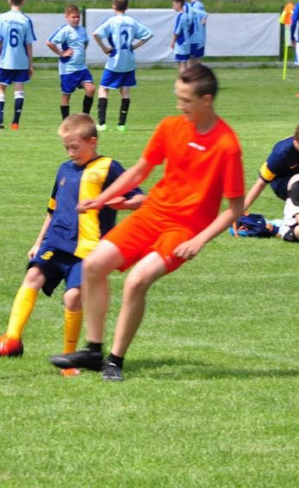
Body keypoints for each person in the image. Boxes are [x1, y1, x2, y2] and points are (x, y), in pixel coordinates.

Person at [49, 65, 245, 382]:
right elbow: (139, 171)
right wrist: (101, 199)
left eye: (186, 100)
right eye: (178, 98)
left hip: (182, 230)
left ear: (206, 100)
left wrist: (199, 240)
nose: (179, 106)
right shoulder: (170, 126)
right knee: (93, 265)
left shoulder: (227, 145)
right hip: (151, 213)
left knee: (137, 281)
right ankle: (93, 350)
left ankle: (115, 360)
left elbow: (235, 207)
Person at [0, 113, 145, 377]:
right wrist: (38, 242)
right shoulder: (64, 169)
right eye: (66, 148)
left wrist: (119, 203)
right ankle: (12, 338)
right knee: (33, 275)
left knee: (73, 297)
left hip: (89, 248)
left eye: (74, 147)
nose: (70, 153)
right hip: (56, 240)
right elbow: (51, 210)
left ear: (92, 142)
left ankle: (71, 358)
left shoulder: (108, 167)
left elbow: (140, 197)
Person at [92, 0, 153, 132]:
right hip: (129, 60)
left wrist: (104, 48)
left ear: (114, 6)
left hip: (115, 60)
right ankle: (121, 124)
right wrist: (135, 47)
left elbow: (96, 34)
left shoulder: (112, 21)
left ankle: (102, 123)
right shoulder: (132, 21)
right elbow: (149, 34)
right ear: (127, 7)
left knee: (103, 89)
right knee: (125, 90)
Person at [0, 0, 35, 130]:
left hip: (6, 60)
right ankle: (15, 122)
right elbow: (28, 44)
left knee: (0, 88)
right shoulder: (26, 20)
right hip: (21, 60)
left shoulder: (2, 18)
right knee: (19, 89)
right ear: (22, 1)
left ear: (9, 1)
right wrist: (30, 64)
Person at [46, 4, 95, 121]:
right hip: (68, 69)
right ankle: (65, 122)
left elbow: (86, 42)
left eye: (78, 17)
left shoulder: (82, 29)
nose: (76, 19)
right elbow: (49, 42)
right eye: (73, 17)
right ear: (67, 17)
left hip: (82, 68)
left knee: (91, 89)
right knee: (66, 95)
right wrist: (61, 53)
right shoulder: (65, 30)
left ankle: (84, 117)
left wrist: (81, 51)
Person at [182, 0, 207, 66]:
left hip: (196, 38)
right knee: (192, 60)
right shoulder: (191, 5)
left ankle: (199, 77)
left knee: (194, 61)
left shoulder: (197, 5)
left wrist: (198, 29)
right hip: (193, 37)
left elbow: (203, 18)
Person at [171, 0, 192, 73]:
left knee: (181, 64)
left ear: (178, 4)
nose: (173, 6)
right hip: (186, 42)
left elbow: (177, 31)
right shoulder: (186, 15)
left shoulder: (180, 16)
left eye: (174, 4)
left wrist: (173, 41)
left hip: (181, 42)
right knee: (185, 63)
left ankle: (184, 81)